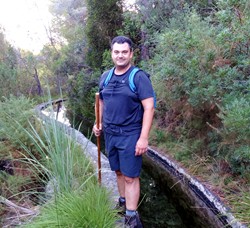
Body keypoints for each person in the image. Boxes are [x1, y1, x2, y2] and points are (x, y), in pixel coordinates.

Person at [93, 35, 155, 228]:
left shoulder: (138, 77)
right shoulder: (106, 77)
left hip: (130, 134)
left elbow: (149, 107)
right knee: (118, 172)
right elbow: (101, 101)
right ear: (112, 53)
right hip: (110, 133)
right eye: (116, 52)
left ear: (131, 54)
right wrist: (98, 123)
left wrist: (143, 138)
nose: (120, 56)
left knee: (130, 176)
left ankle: (131, 217)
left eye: (124, 52)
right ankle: (122, 203)